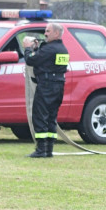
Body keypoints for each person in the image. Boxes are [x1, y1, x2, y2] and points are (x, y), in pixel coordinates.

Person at [23, 22, 69, 158]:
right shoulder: (62, 49)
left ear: (56, 33)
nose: (45, 33)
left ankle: (41, 149)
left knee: (40, 116)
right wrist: (38, 47)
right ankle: (48, 149)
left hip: (47, 86)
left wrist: (27, 48)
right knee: (51, 117)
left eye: (48, 31)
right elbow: (46, 61)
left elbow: (31, 60)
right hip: (58, 86)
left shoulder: (50, 49)